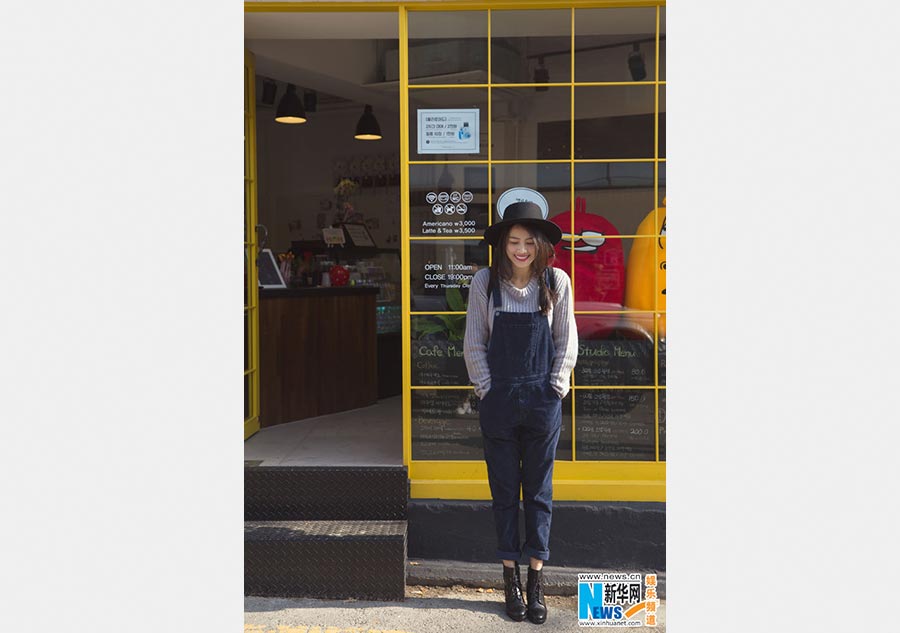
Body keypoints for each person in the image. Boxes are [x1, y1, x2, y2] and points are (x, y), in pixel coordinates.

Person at [463, 198, 578, 624]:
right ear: (503, 245)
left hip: (541, 400)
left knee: (539, 493)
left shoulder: (557, 282)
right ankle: (508, 577)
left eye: (529, 241)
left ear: (542, 245)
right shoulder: (484, 283)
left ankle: (536, 580)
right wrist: (487, 389)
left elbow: (567, 341)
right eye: (514, 241)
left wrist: (555, 388)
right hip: (499, 401)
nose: (521, 249)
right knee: (504, 491)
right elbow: (474, 342)